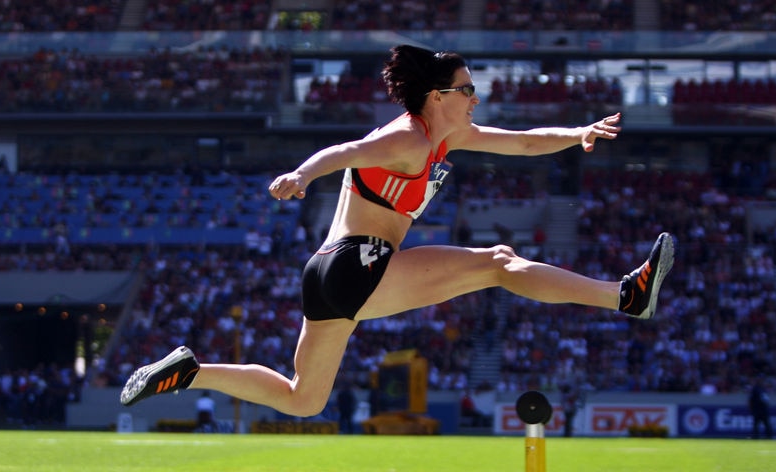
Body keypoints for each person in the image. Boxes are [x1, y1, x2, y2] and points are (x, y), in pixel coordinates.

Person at [119, 44, 675, 418]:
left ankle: (190, 373)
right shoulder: (409, 138)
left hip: (329, 271)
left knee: (304, 399)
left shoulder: (444, 138)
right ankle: (626, 296)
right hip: (360, 261)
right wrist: (301, 174)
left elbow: (524, 141)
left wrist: (577, 133)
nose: (475, 97)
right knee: (499, 263)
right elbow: (347, 151)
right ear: (438, 97)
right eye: (467, 88)